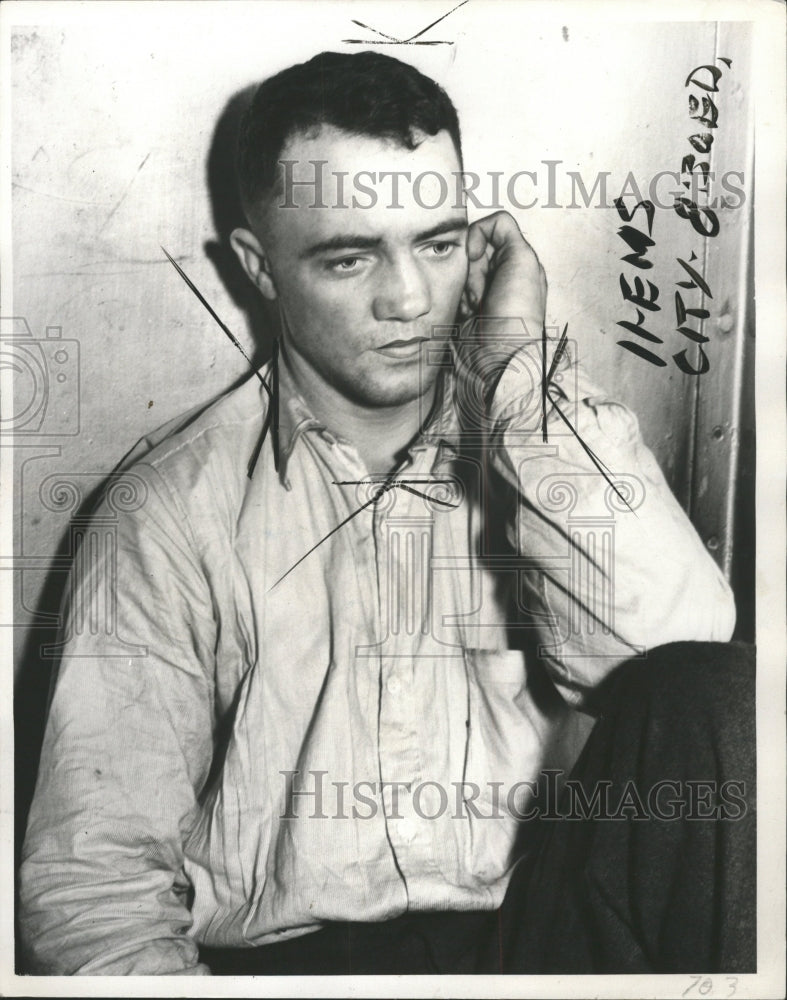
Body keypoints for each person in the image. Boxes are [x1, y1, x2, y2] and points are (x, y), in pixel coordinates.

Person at [19, 50, 754, 976]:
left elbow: (683, 668)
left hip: (532, 948)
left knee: (725, 698)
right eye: (350, 256)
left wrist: (517, 375)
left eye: (437, 244)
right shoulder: (169, 510)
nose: (408, 300)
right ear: (258, 268)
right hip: (291, 971)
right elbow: (93, 891)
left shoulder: (539, 442)